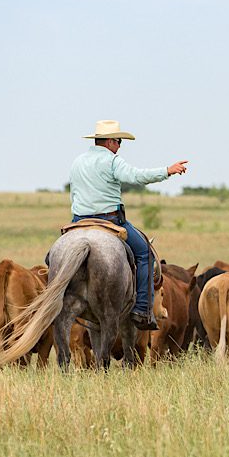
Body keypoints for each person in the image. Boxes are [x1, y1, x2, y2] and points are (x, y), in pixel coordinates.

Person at [69, 120, 188, 330]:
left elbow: (74, 194)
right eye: (119, 141)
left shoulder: (77, 161)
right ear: (109, 142)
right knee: (145, 254)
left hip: (79, 221)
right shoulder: (112, 161)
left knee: (53, 257)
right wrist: (167, 171)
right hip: (109, 219)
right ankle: (142, 308)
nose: (119, 147)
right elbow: (136, 176)